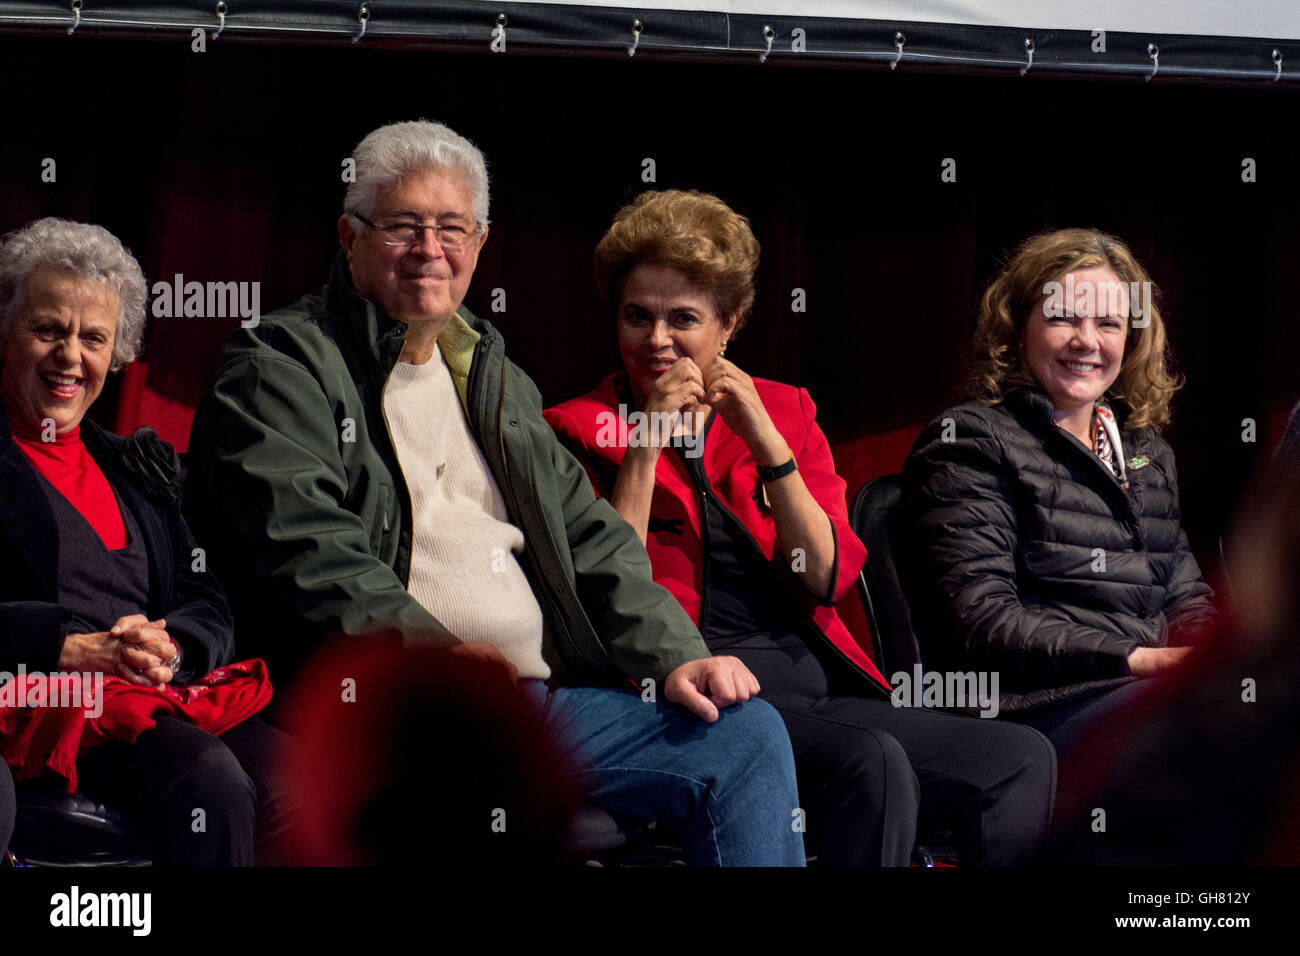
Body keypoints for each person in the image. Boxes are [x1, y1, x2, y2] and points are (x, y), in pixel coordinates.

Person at [183, 120, 803, 866]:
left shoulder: (491, 375)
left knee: (746, 736)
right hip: (384, 712)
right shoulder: (280, 367)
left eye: (452, 228)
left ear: (480, 244)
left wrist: (676, 656)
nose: (429, 249)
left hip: (532, 707)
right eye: (403, 226)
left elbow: (591, 537)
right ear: (349, 237)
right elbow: (314, 556)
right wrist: (443, 663)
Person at [544, 189, 1056, 866]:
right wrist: (644, 444)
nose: (658, 340)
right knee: (870, 764)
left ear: (730, 325)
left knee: (1020, 758)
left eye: (683, 319)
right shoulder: (575, 427)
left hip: (821, 690)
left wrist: (767, 443)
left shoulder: (783, 410)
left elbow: (825, 574)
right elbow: (609, 597)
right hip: (695, 695)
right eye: (638, 317)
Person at [0, 218, 292, 865]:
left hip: (158, 696)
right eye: (48, 329)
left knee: (312, 782)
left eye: (94, 337)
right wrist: (65, 647)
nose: (71, 356)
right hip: (45, 703)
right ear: (5, 332)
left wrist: (174, 645)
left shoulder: (136, 467)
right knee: (207, 780)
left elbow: (205, 598)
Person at [901, 228, 1219, 791]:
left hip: (1137, 691)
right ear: (1019, 326)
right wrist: (1138, 659)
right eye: (1064, 318)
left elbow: (1186, 598)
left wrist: (1214, 662)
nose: (1086, 340)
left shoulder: (1148, 453)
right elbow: (981, 621)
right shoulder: (970, 441)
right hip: (1028, 710)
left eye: (1108, 324)